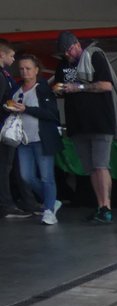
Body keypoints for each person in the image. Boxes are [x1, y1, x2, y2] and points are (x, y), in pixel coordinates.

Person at [53, 31, 117, 224]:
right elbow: (59, 84)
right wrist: (59, 89)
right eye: (64, 52)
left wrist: (78, 88)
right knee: (91, 167)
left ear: (76, 45)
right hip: (77, 123)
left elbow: (107, 85)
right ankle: (100, 205)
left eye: (69, 50)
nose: (67, 55)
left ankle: (106, 206)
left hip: (99, 121)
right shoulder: (63, 64)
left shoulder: (94, 56)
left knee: (100, 165)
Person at [9, 53, 63, 225]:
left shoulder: (44, 89)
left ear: (36, 70)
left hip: (42, 139)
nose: (25, 72)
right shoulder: (16, 89)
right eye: (22, 69)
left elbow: (52, 114)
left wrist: (27, 109)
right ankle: (51, 200)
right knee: (26, 177)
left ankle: (49, 210)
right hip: (23, 140)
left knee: (47, 176)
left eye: (28, 69)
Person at [1, 40, 41, 218]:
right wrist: (9, 106)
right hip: (5, 128)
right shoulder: (2, 76)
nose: (13, 58)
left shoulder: (6, 74)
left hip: (10, 127)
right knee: (6, 167)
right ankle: (7, 205)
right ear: (2, 55)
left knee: (15, 166)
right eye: (11, 55)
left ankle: (27, 202)